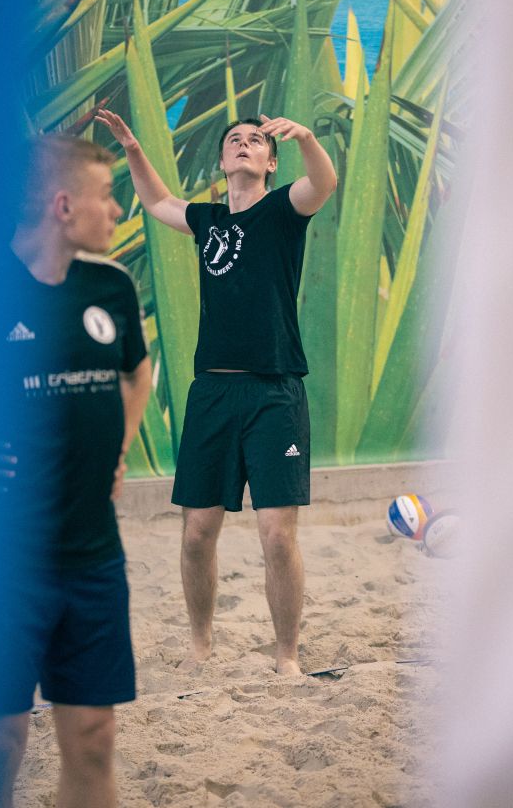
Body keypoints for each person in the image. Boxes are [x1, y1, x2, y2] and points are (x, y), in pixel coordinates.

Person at [96, 109, 336, 676]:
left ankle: (287, 658)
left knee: (277, 535)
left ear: (270, 162)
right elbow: (157, 203)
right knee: (199, 532)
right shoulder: (206, 220)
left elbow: (323, 182)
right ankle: (201, 646)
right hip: (212, 394)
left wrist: (304, 136)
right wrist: (132, 147)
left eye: (256, 140)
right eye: (235, 141)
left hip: (275, 393)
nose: (245, 145)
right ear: (223, 162)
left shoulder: (284, 210)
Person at [0, 134, 152, 808]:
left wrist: (121, 443)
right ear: (62, 205)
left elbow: (138, 371)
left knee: (92, 738)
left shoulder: (110, 286)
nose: (117, 212)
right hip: (1, 567)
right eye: (106, 196)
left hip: (92, 558)